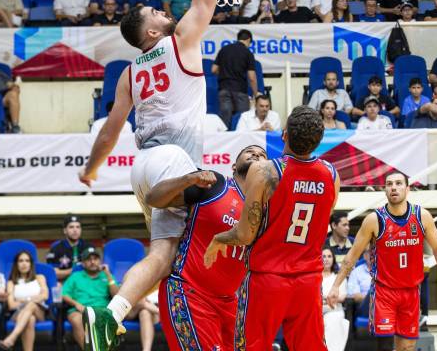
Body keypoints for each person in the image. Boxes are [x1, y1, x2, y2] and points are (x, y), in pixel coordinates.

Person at [78, 0, 238, 348]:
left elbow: (110, 131)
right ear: (150, 29)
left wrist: (90, 170)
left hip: (141, 168)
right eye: (154, 8)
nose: (161, 8)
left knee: (165, 250)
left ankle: (113, 312)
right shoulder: (179, 41)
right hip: (172, 163)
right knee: (230, 218)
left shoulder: (130, 71)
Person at [205, 106, 340, 350]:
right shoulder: (332, 175)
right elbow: (322, 220)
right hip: (308, 281)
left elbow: (245, 234)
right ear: (318, 141)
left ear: (285, 134)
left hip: (267, 279)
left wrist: (219, 238)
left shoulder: (266, 170)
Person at [144, 145, 266, 350]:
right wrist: (188, 179)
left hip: (229, 302)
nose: (256, 154)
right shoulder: (216, 185)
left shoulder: (265, 210)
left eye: (262, 155)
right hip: (189, 291)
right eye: (249, 151)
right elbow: (153, 199)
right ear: (234, 166)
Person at [327, 171, 437, 350]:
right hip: (384, 292)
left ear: (407, 188)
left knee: (407, 347)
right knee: (385, 345)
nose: (393, 187)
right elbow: (352, 256)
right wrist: (335, 286)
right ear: (385, 190)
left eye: (398, 183)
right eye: (389, 184)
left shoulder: (421, 216)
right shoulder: (374, 219)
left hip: (411, 292)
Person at [62, 247, 156, 350]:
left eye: (95, 259)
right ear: (83, 263)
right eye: (88, 259)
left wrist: (108, 275)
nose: (92, 262)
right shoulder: (76, 276)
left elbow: (117, 295)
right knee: (76, 319)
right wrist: (76, 304)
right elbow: (64, 294)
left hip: (105, 310)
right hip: (80, 310)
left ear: (100, 261)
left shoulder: (106, 276)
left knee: (141, 306)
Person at [0, 251, 49, 351]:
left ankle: (12, 337)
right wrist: (33, 298)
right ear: (16, 264)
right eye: (21, 261)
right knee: (30, 319)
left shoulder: (40, 278)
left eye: (27, 261)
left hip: (40, 311)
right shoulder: (11, 283)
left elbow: (45, 296)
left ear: (31, 264)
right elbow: (12, 305)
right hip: (18, 313)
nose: (24, 263)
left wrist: (24, 300)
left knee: (32, 305)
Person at [212, 29, 258, 128]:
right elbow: (252, 77)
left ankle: (223, 141)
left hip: (224, 89)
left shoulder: (224, 49)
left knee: (224, 122)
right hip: (240, 91)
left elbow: (214, 69)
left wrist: (224, 72)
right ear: (249, 39)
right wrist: (256, 93)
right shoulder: (247, 53)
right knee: (243, 120)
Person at [46, 215, 90, 282]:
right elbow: (52, 273)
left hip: (85, 283)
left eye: (78, 227)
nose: (75, 230)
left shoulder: (89, 247)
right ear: (65, 230)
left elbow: (96, 269)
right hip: (64, 283)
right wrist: (73, 271)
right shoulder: (55, 248)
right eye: (71, 227)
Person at [321, 247, 349, 351]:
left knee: (333, 319)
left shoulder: (338, 277)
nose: (326, 259)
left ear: (333, 259)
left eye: (329, 256)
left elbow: (342, 297)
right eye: (323, 256)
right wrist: (329, 298)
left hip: (334, 310)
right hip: (316, 311)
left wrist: (322, 298)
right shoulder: (314, 277)